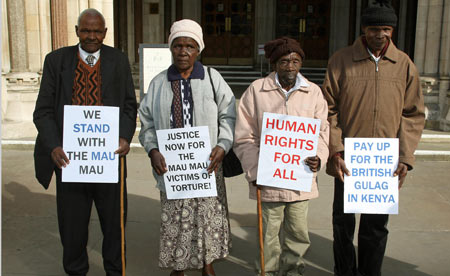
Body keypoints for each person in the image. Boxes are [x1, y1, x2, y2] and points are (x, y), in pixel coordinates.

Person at [322, 1, 425, 275]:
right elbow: (328, 109)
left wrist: (405, 157)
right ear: (363, 29)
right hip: (347, 159)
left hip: (383, 163)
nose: (380, 35)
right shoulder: (341, 60)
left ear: (392, 31)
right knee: (343, 224)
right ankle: (344, 271)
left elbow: (413, 114)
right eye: (374, 29)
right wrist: (336, 150)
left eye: (386, 29)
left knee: (376, 227)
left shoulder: (404, 64)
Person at [33, 9, 137, 276]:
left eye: (97, 31)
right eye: (86, 30)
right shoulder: (56, 61)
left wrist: (124, 136)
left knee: (115, 228)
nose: (91, 36)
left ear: (105, 33)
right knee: (72, 229)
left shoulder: (118, 60)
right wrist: (54, 146)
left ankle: (116, 271)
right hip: (70, 162)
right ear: (77, 30)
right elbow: (43, 111)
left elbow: (128, 106)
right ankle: (76, 272)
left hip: (108, 162)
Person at [138, 19, 235, 276]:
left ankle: (207, 264)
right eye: (178, 46)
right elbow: (146, 123)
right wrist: (153, 150)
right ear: (171, 48)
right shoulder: (159, 83)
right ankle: (178, 267)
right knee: (176, 219)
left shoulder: (212, 78)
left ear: (198, 49)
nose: (183, 51)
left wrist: (223, 145)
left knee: (206, 218)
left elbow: (228, 115)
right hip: (172, 168)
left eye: (190, 46)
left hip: (206, 165)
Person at [233, 37, 330, 276]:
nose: (290, 66)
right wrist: (255, 171)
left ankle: (293, 269)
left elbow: (322, 132)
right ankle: (267, 271)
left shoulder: (313, 92)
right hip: (269, 180)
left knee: (298, 231)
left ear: (301, 64)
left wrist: (318, 156)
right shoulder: (257, 90)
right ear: (274, 64)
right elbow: (245, 137)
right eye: (284, 61)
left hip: (300, 180)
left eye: (295, 61)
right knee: (268, 231)